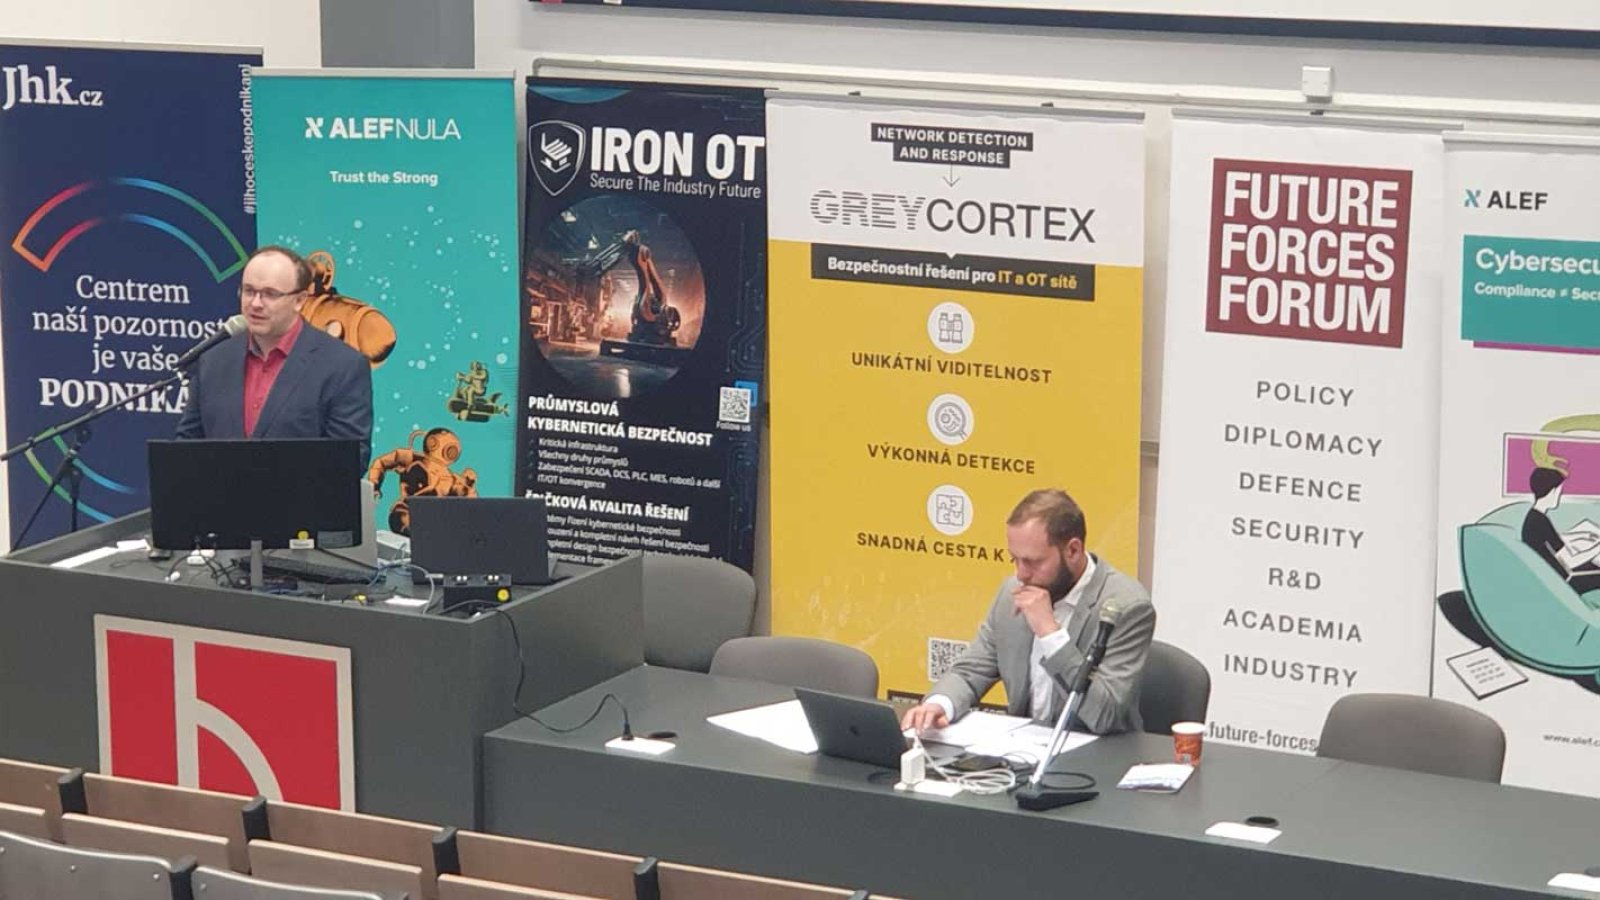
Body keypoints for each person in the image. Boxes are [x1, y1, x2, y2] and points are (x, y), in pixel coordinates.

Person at [902, 488, 1156, 736]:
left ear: (1073, 550)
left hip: (1098, 754)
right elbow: (970, 671)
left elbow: (1105, 715)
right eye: (1015, 559)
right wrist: (939, 704)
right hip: (1022, 749)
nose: (1021, 574)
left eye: (1033, 562)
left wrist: (1050, 634)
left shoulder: (1126, 607)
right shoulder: (1011, 593)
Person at [176, 245, 374, 465]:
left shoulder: (342, 366)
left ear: (300, 300)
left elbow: (349, 460)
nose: (255, 304)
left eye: (270, 294)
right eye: (249, 291)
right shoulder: (213, 360)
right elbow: (186, 449)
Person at [1522, 466, 1600, 595]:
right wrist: (1597, 547)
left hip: (1555, 574)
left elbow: (1553, 540)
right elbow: (1570, 561)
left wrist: (1582, 535)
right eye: (1559, 492)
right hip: (1566, 580)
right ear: (1552, 491)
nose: (1559, 496)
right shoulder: (1540, 522)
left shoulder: (1534, 517)